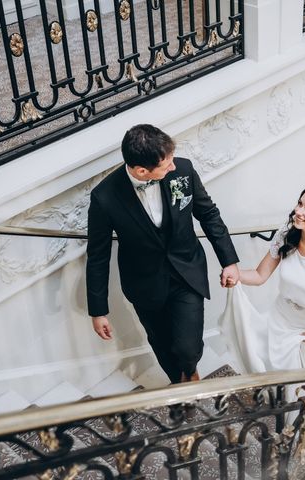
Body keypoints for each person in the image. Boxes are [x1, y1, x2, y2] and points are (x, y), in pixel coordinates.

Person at [86, 124, 239, 384]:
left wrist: (229, 261)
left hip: (187, 272)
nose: (172, 167)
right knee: (161, 342)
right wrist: (98, 311)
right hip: (144, 283)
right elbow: (97, 255)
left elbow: (208, 214)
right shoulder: (104, 197)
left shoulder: (184, 170)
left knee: (187, 348)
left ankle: (190, 372)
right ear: (142, 171)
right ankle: (179, 386)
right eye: (165, 165)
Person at [220, 185, 305, 373]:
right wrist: (235, 274)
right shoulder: (286, 236)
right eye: (300, 204)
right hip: (282, 322)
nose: (298, 212)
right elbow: (260, 275)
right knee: (282, 380)